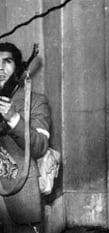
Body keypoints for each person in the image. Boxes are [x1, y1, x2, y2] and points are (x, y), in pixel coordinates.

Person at [0, 42, 51, 233]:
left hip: (19, 191)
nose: (0, 68)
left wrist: (13, 118)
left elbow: (39, 147)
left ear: (18, 69)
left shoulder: (36, 101)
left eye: (7, 62)